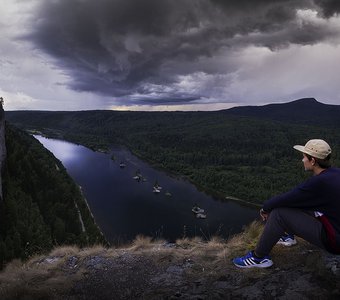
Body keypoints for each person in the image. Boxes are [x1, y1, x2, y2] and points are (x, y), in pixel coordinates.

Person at [233, 139, 340, 268]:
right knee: (291, 203)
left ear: (313, 161)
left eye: (304, 157)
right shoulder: (335, 173)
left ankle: (258, 258)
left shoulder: (319, 182)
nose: (302, 160)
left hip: (334, 241)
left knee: (279, 213)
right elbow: (294, 199)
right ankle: (287, 236)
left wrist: (265, 208)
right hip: (334, 225)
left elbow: (288, 197)